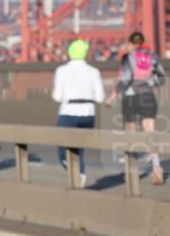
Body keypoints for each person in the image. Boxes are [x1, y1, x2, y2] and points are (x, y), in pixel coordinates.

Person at [108, 31, 166, 184]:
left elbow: (126, 79)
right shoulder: (152, 55)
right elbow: (161, 76)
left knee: (130, 132)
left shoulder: (128, 58)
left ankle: (134, 171)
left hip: (131, 97)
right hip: (148, 95)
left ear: (131, 43)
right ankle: (157, 167)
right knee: (150, 132)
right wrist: (149, 84)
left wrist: (113, 96)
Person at [52, 40, 105, 188]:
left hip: (68, 112)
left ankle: (76, 173)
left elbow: (57, 97)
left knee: (63, 148)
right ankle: (80, 174)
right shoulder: (94, 71)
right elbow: (100, 97)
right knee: (79, 148)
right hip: (88, 113)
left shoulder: (61, 71)